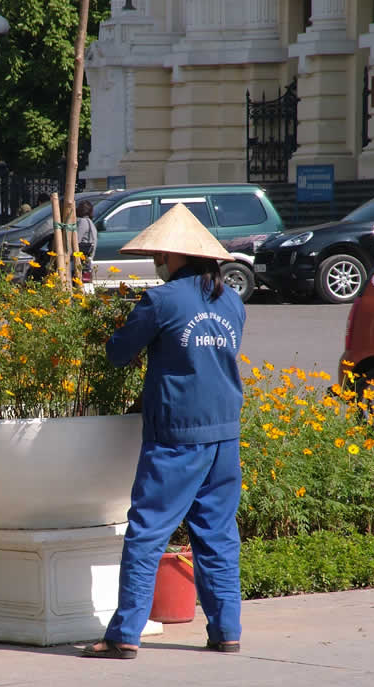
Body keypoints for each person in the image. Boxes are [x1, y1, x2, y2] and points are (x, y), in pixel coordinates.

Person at [82, 203, 246, 660]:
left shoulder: (161, 300)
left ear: (174, 255)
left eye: (159, 252)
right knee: (216, 535)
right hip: (225, 433)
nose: (156, 258)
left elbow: (118, 354)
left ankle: (123, 635)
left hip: (176, 434)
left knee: (147, 532)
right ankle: (226, 630)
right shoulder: (231, 302)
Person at [75, 199, 98, 283]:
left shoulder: (83, 222)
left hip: (82, 260)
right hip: (88, 259)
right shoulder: (90, 222)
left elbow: (76, 240)